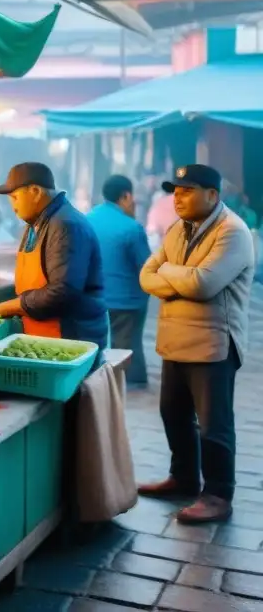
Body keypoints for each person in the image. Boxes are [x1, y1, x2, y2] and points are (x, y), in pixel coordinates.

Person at [138, 164, 254, 524]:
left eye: (187, 191)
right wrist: (179, 276)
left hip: (212, 344)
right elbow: (145, 276)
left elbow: (203, 285)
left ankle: (219, 494)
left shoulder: (232, 232)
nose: (178, 198)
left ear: (212, 195)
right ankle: (184, 478)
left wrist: (169, 273)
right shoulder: (177, 229)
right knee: (173, 415)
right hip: (174, 341)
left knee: (213, 425)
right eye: (175, 191)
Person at [0, 162, 108, 351]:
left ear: (35, 191)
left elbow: (62, 292)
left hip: (71, 338)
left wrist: (13, 306)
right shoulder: (37, 223)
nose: (13, 207)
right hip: (44, 336)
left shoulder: (65, 225)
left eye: (14, 197)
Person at [87, 175, 152, 387]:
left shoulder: (87, 220)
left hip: (94, 298)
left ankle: (99, 383)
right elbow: (146, 266)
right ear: (126, 196)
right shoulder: (131, 228)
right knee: (128, 344)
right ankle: (131, 384)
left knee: (97, 343)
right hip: (127, 300)